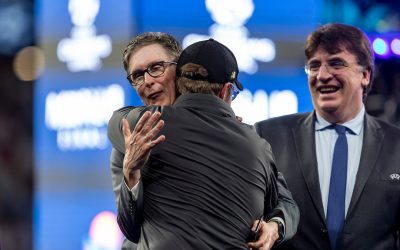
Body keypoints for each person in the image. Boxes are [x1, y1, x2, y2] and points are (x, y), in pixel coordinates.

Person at [109, 32, 299, 249]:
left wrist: (274, 226)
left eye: (156, 68)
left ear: (180, 71)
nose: (148, 81)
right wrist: (130, 176)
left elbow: (286, 202)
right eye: (137, 76)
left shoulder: (244, 140)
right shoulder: (130, 141)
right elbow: (131, 231)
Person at [254, 23, 400, 250]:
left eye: (336, 63)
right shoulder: (267, 136)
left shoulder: (396, 144)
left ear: (365, 74)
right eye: (314, 66)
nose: (322, 75)